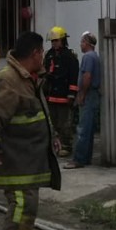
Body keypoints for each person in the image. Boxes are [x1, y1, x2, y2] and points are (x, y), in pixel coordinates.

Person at [0, 31, 61, 230]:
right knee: (22, 207)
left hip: (28, 161)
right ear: (35, 53)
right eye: (41, 52)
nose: (43, 57)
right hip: (15, 161)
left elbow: (38, 111)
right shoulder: (9, 80)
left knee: (27, 208)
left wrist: (53, 135)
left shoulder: (30, 78)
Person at [65, 31, 102, 169]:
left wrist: (82, 95)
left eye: (81, 42)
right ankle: (86, 158)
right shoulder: (94, 56)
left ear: (86, 43)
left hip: (89, 95)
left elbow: (87, 77)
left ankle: (79, 159)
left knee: (83, 129)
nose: (80, 45)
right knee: (89, 129)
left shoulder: (88, 57)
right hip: (93, 95)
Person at [43, 26, 79, 158]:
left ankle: (66, 146)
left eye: (56, 41)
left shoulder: (69, 57)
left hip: (64, 95)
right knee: (53, 123)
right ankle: (55, 145)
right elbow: (45, 73)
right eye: (52, 41)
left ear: (63, 40)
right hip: (52, 95)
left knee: (65, 124)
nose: (54, 43)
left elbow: (73, 77)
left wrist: (71, 94)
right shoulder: (49, 55)